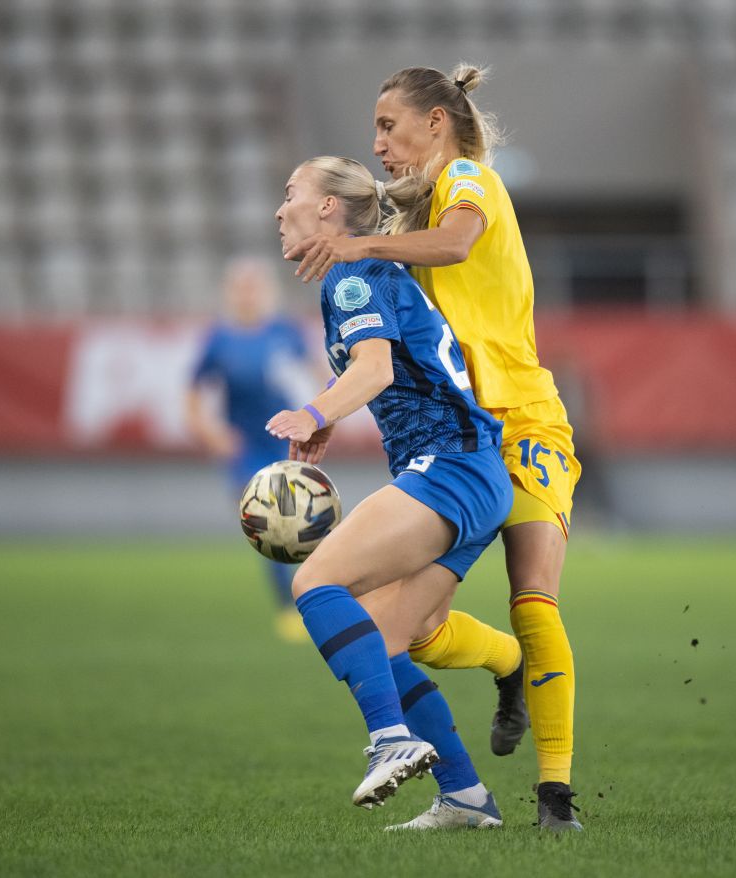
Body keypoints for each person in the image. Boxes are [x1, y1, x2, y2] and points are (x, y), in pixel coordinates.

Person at [287, 64, 584, 831]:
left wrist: (359, 250)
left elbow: (455, 246)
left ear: (436, 122)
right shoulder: (402, 240)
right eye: (375, 129)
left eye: (389, 125)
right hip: (468, 437)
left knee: (533, 596)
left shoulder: (466, 178)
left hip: (520, 419)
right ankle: (468, 787)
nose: (378, 141)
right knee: (403, 633)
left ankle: (556, 798)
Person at [270, 155, 513, 829]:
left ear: (327, 209)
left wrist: (315, 413)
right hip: (473, 475)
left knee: (315, 584)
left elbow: (374, 368)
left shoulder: (351, 274)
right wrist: (327, 414)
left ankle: (390, 738)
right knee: (383, 637)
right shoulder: (367, 272)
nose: (278, 208)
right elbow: (389, 369)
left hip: (450, 468)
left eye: (291, 193)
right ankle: (465, 796)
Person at [184, 257, 314, 642]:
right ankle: (287, 607)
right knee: (271, 523)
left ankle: (315, 595)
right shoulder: (219, 339)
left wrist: (318, 416)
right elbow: (192, 392)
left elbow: (318, 376)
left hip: (285, 441)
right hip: (247, 449)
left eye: (254, 286)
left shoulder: (285, 332)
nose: (248, 294)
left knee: (304, 523)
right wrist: (211, 433)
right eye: (241, 287)